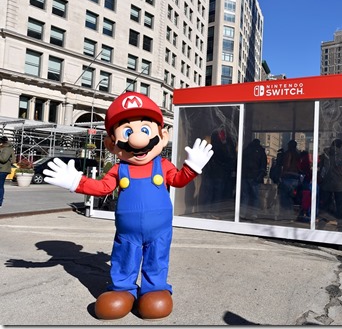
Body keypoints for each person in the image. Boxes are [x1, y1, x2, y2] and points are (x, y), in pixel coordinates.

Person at [42, 92, 214, 320]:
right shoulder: (119, 169)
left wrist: (192, 167)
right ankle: (123, 290)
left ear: (162, 136)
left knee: (157, 259)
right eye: (126, 132)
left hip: (159, 232)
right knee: (124, 259)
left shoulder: (163, 165)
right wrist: (76, 182)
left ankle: (154, 289)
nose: (137, 140)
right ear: (112, 143)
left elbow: (178, 180)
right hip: (127, 234)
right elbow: (103, 188)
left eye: (145, 130)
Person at [319, 139, 342, 229]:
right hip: (339, 184)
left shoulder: (325, 155)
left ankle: (322, 221)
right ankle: (340, 223)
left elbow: (322, 169)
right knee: (340, 204)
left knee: (325, 204)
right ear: (340, 146)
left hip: (327, 183)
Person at [240, 138, 267, 218]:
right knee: (255, 196)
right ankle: (253, 213)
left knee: (245, 196)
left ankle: (243, 213)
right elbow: (263, 165)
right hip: (255, 176)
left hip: (245, 176)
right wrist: (260, 175)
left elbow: (240, 162)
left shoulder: (246, 150)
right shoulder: (261, 151)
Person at [278, 139, 300, 214]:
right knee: (290, 196)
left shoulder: (289, 153)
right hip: (296, 177)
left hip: (288, 176)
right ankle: (290, 211)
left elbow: (286, 165)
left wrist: (282, 174)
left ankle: (285, 212)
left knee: (284, 196)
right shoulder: (297, 154)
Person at [0, 136, 15, 208]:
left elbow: (3, 159)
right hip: (2, 169)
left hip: (2, 170)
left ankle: (0, 202)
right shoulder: (4, 148)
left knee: (0, 186)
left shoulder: (7, 149)